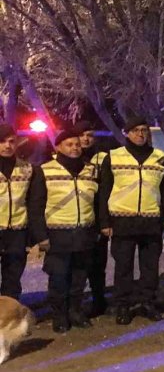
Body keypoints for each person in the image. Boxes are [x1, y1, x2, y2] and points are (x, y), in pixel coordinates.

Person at [98, 116, 164, 325]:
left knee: (150, 267)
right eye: (136, 130)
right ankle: (123, 306)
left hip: (151, 220)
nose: (140, 134)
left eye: (144, 130)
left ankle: (148, 303)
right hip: (122, 221)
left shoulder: (160, 157)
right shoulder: (114, 157)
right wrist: (104, 222)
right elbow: (104, 191)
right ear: (126, 132)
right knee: (123, 268)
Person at [30, 128, 100, 332]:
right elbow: (36, 206)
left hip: (84, 233)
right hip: (57, 234)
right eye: (69, 145)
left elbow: (96, 203)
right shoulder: (44, 170)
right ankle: (59, 316)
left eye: (77, 144)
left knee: (79, 277)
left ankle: (75, 312)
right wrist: (41, 236)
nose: (75, 148)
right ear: (58, 147)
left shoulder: (91, 170)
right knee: (59, 277)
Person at [74, 120, 109, 316]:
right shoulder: (64, 158)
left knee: (98, 264)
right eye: (82, 135)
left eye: (90, 135)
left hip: (97, 219)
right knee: (78, 265)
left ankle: (99, 301)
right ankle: (74, 304)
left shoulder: (103, 158)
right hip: (74, 220)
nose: (86, 139)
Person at [0, 124, 34, 301]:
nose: (7, 146)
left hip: (17, 231)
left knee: (13, 278)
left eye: (11, 141)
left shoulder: (27, 169)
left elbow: (33, 201)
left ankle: (8, 314)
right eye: (2, 142)